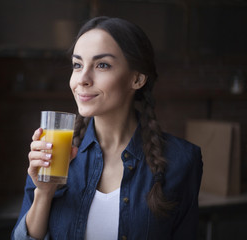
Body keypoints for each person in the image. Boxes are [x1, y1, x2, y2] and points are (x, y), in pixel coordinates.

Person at [11, 16, 203, 240]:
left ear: (137, 79)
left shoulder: (182, 160)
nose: (82, 79)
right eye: (77, 65)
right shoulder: (53, 150)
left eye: (102, 65)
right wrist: (44, 193)